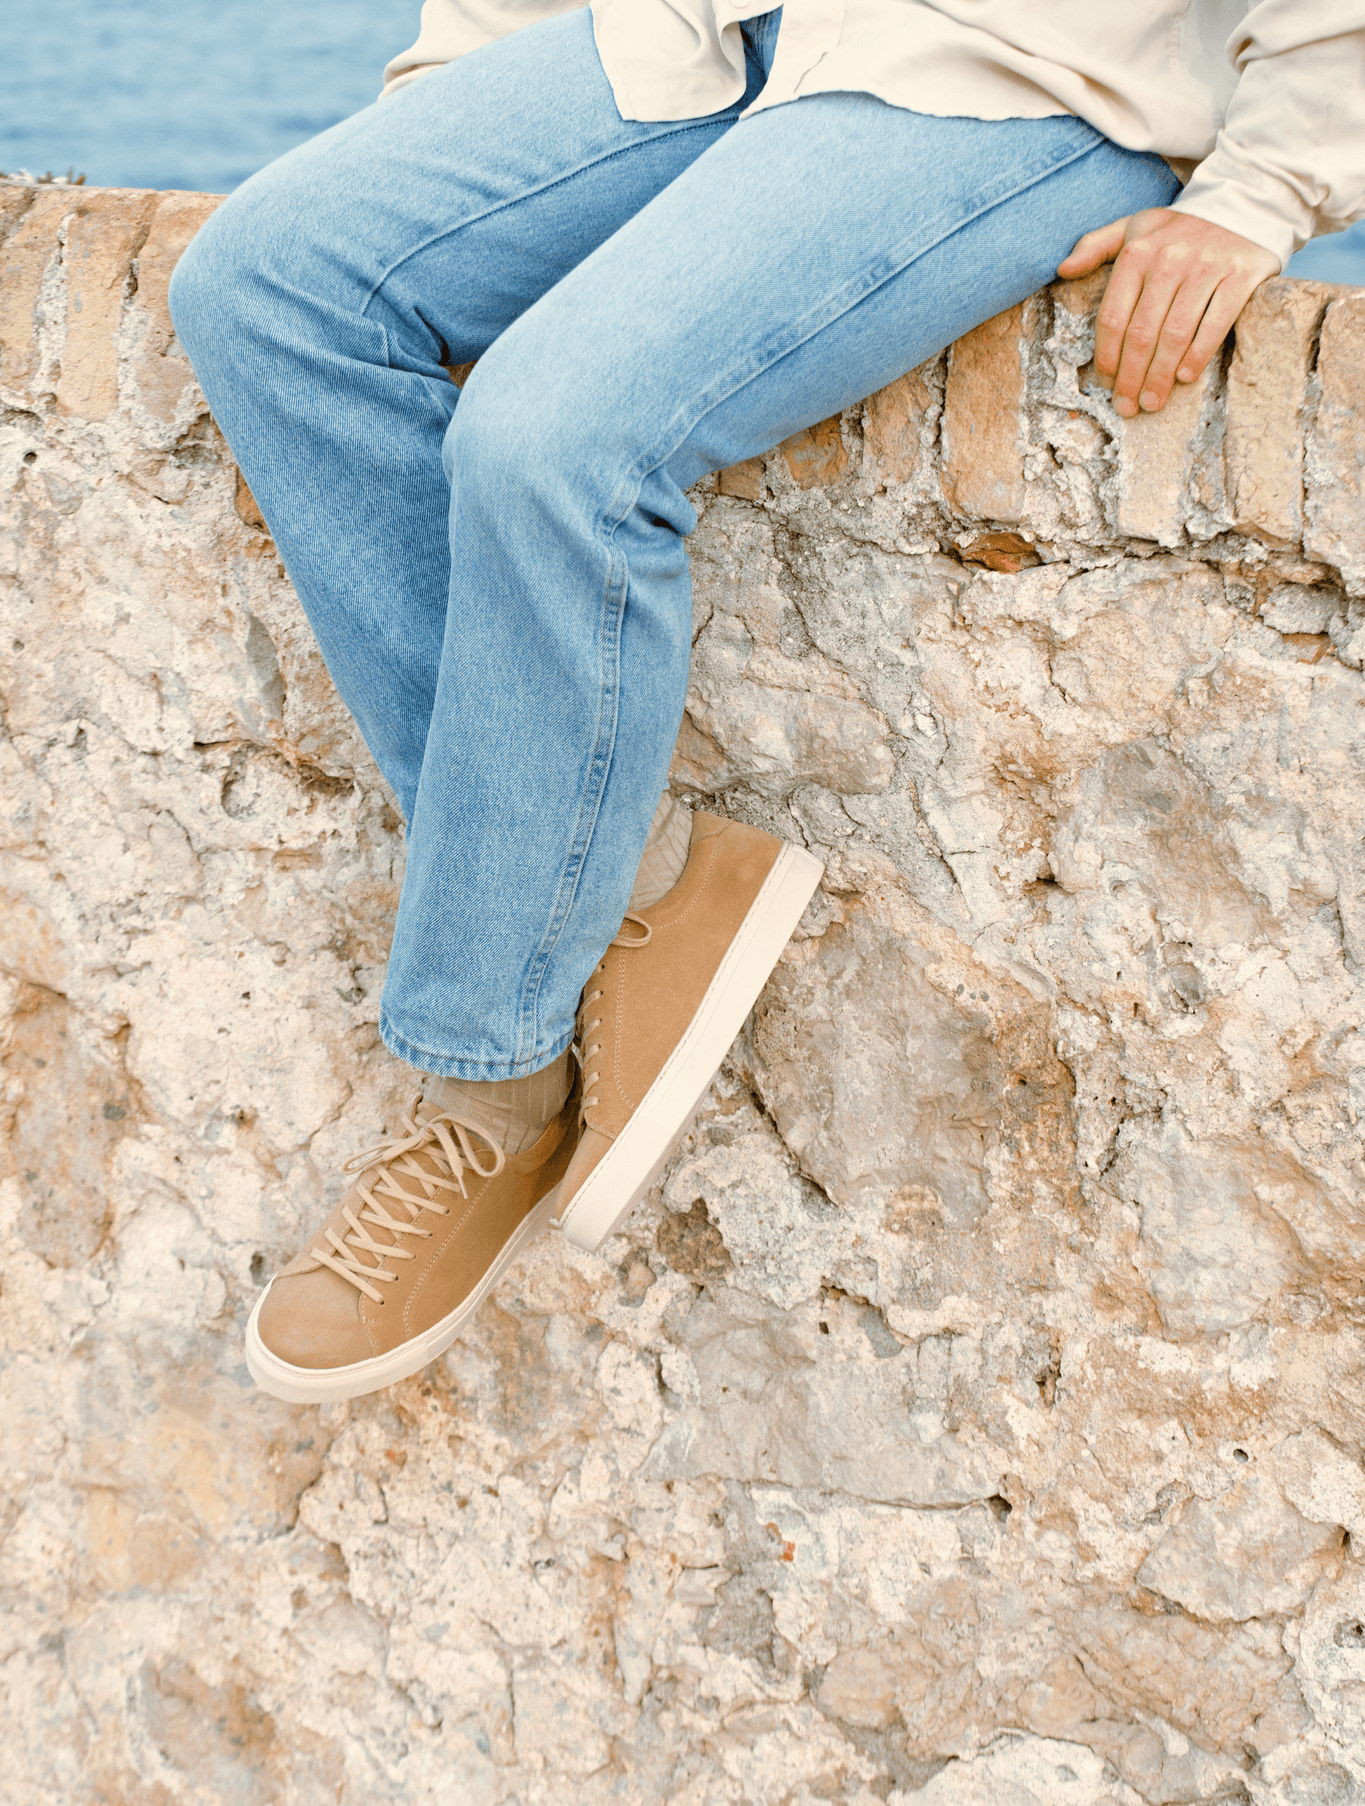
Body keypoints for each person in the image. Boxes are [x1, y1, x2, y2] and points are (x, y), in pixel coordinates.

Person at [168, 0, 1364, 1406]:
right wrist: (455, 95)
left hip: (1020, 80)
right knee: (263, 282)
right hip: (709, 28)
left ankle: (491, 1084)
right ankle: (624, 880)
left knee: (554, 437)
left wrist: (1259, 194)